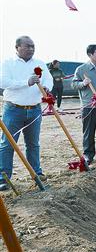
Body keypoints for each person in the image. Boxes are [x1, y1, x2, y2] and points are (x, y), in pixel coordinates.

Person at [0, 36, 53, 191]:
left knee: (33, 144)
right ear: (17, 48)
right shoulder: (7, 63)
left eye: (33, 46)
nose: (31, 48)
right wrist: (26, 82)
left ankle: (36, 174)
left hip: (34, 109)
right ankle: (3, 178)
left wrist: (47, 87)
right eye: (27, 46)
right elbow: (3, 82)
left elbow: (49, 79)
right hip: (13, 109)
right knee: (7, 144)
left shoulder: (39, 63)